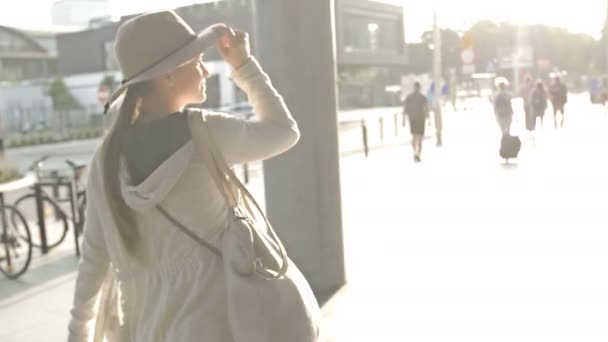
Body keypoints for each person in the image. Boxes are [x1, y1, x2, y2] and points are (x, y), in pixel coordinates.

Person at [68, 10, 300, 341]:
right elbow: (283, 132)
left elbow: (93, 259)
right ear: (169, 76)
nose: (206, 70)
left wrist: (77, 334)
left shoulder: (105, 160)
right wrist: (243, 66)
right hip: (221, 323)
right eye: (196, 61)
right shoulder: (206, 133)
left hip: (148, 328)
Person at [403, 82, 429, 162]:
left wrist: (403, 120)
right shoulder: (422, 97)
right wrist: (428, 118)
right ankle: (417, 154)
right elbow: (426, 109)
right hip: (419, 119)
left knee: (415, 137)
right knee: (418, 138)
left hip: (414, 119)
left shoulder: (410, 97)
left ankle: (416, 153)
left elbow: (405, 109)